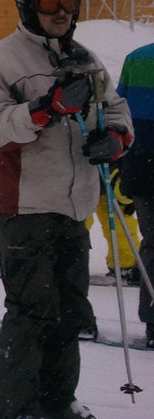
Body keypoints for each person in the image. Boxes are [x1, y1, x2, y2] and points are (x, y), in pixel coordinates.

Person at [0, 0, 134, 419]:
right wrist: (45, 109)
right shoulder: (2, 62)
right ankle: (12, 409)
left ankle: (57, 401)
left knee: (69, 313)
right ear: (27, 7)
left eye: (69, 2)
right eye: (49, 3)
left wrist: (115, 137)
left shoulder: (84, 57)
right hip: (25, 206)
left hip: (74, 206)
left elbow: (116, 108)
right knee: (32, 312)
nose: (61, 12)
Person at [116, 40, 154, 348]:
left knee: (153, 243)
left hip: (142, 166)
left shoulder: (137, 57)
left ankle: (153, 320)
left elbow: (118, 110)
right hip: (143, 166)